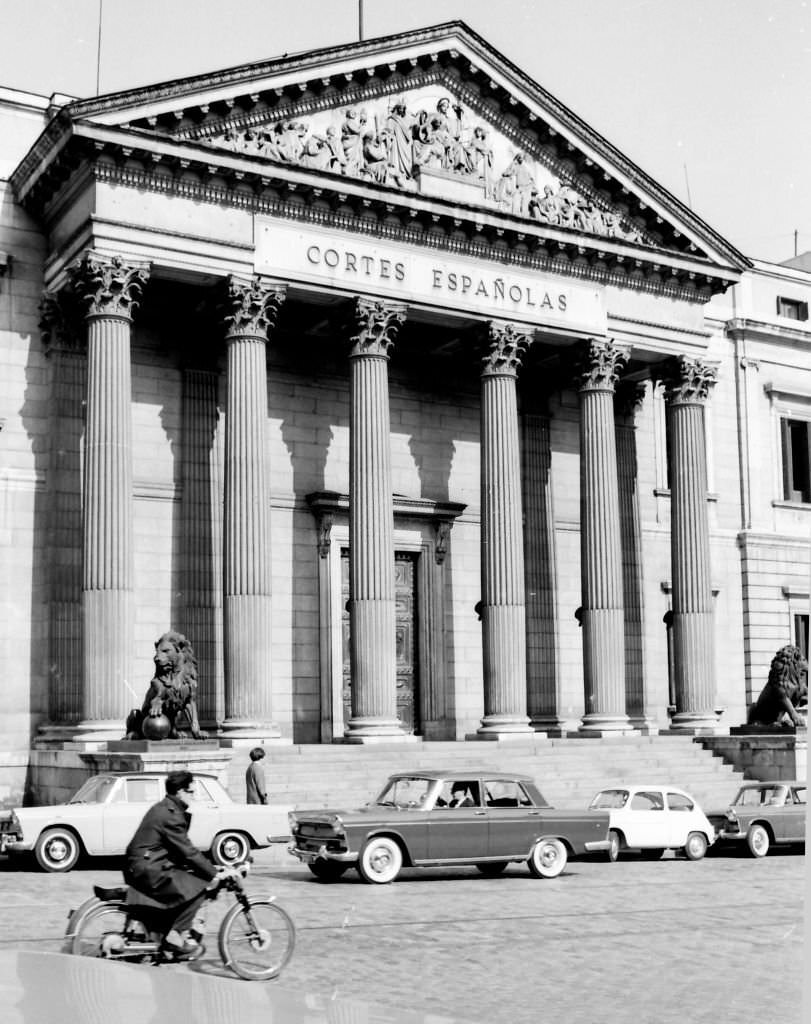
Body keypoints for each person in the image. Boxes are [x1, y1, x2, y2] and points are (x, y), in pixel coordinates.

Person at [125, 770, 234, 959]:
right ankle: (175, 937)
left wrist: (206, 867)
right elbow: (187, 851)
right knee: (199, 888)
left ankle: (169, 937)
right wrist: (213, 874)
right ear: (179, 792)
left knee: (186, 881)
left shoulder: (165, 807)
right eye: (190, 792)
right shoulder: (171, 815)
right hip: (148, 868)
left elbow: (178, 849)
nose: (194, 796)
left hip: (146, 863)